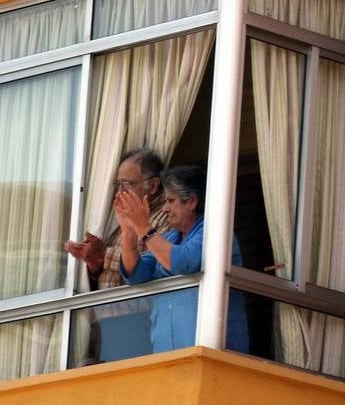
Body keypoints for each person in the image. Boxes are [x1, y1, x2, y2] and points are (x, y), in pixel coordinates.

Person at [116, 164, 249, 353]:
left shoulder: (215, 231)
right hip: (168, 352)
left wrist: (144, 228)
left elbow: (181, 262)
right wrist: (129, 230)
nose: (164, 208)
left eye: (170, 201)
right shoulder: (171, 238)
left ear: (192, 202)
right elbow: (136, 274)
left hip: (212, 351)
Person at [64, 148, 169, 361]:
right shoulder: (121, 222)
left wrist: (104, 255)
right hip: (108, 323)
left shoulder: (164, 217)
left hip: (139, 320)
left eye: (128, 185)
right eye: (117, 184)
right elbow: (110, 267)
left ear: (154, 185)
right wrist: (93, 264)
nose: (119, 192)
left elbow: (152, 262)